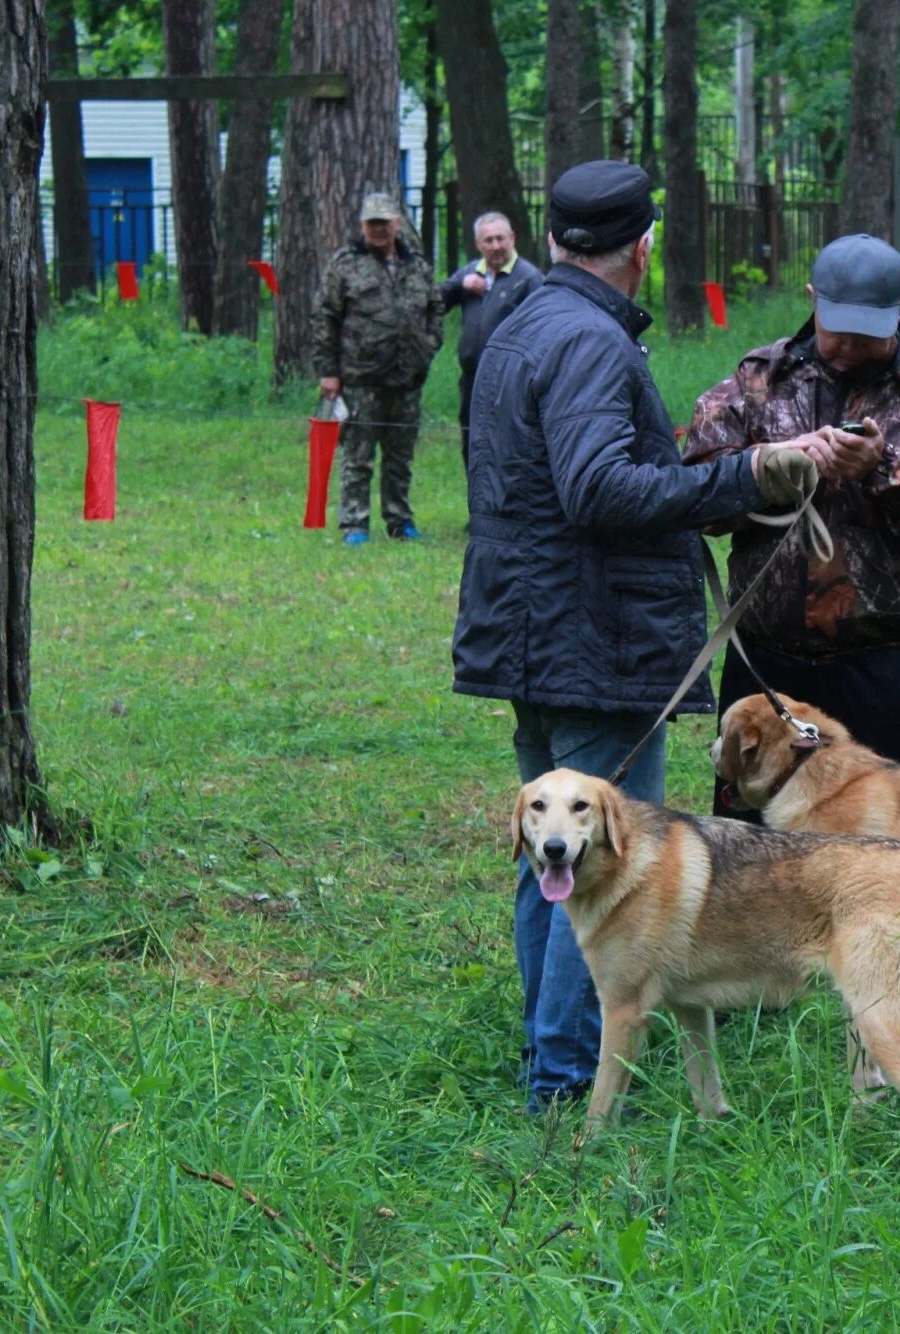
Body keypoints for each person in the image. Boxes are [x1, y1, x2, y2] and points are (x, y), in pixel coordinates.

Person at [451, 160, 819, 1108]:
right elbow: (596, 488)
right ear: (643, 247)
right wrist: (746, 477)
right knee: (607, 868)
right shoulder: (588, 341)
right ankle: (569, 1080)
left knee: (553, 862)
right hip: (596, 640)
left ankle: (552, 1063)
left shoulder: (519, 319)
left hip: (532, 627)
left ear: (557, 237)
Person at [682, 233, 900, 815]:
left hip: (884, 673)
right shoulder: (762, 380)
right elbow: (694, 490)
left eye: (868, 330)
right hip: (767, 674)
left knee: (896, 858)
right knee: (752, 861)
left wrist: (885, 470)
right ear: (812, 298)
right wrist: (771, 467)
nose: (850, 345)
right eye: (839, 327)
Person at [312, 192, 445, 544]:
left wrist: (428, 346)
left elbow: (435, 308)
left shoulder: (416, 264)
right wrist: (329, 371)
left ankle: (400, 521)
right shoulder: (345, 264)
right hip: (361, 378)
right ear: (362, 226)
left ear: (397, 224)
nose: (379, 230)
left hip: (407, 379)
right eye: (372, 223)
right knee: (358, 457)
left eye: (385, 222)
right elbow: (325, 317)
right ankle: (355, 524)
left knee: (400, 458)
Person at [440, 211, 543, 464]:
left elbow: (543, 330)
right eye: (488, 241)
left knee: (506, 447)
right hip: (473, 380)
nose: (495, 246)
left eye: (501, 239)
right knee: (472, 443)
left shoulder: (528, 279)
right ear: (478, 244)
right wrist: (459, 285)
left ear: (512, 238)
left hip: (510, 381)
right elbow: (434, 302)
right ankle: (477, 499)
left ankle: (505, 502)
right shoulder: (471, 273)